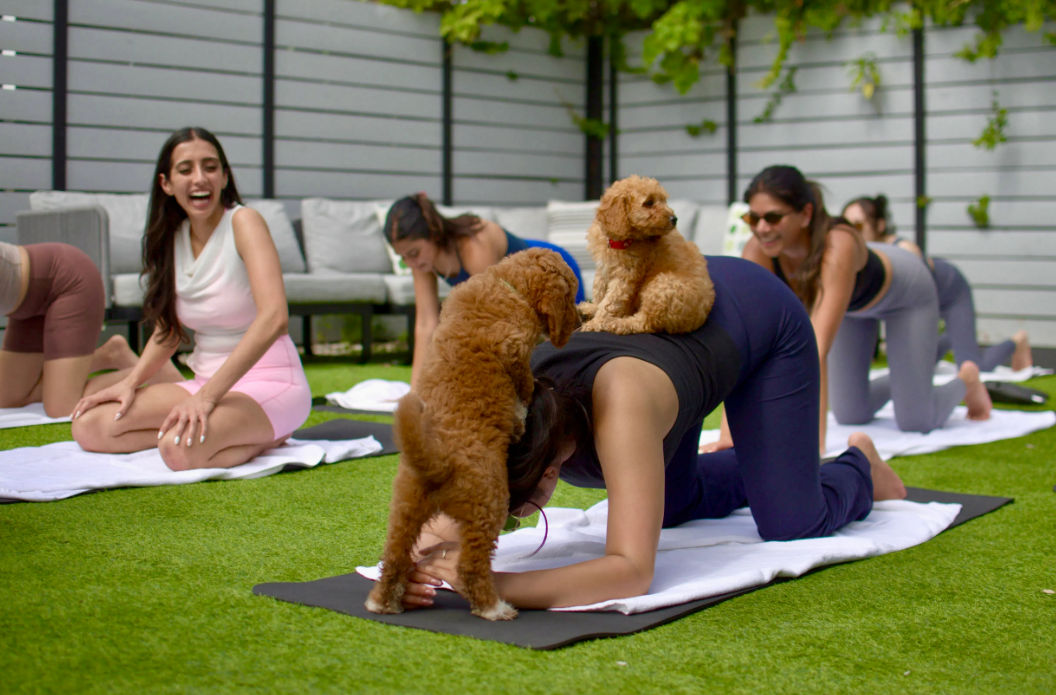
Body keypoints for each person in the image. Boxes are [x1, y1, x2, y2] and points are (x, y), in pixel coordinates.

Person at [391, 255, 907, 610]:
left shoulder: (622, 405)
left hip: (757, 316)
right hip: (670, 348)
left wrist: (497, 584)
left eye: (516, 511)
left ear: (551, 471)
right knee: (673, 508)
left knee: (791, 520)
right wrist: (422, 561)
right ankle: (768, 463)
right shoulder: (501, 397)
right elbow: (437, 515)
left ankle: (860, 467)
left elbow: (631, 571)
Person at [70, 126, 311, 471]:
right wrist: (130, 382)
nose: (200, 178)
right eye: (186, 170)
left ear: (225, 177)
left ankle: (269, 435)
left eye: (210, 167)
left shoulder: (245, 222)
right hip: (203, 382)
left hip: (270, 384)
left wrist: (207, 399)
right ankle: (219, 433)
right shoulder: (173, 237)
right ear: (166, 184)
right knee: (91, 426)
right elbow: (169, 330)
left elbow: (275, 318)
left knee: (179, 450)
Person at [739, 165, 991, 441]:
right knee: (850, 413)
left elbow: (816, 348)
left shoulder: (838, 243)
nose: (762, 229)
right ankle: (908, 380)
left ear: (806, 214)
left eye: (773, 218)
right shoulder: (757, 250)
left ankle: (967, 380)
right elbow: (749, 342)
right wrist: (732, 435)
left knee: (916, 419)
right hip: (852, 306)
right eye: (753, 218)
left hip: (907, 294)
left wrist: (813, 451)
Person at [383, 193, 585, 388]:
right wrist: (416, 393)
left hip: (553, 272)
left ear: (434, 233)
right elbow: (426, 323)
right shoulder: (421, 262)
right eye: (404, 257)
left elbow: (490, 318)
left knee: (571, 355)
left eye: (414, 253)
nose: (411, 263)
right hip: (515, 293)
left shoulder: (474, 244)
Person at [842, 195, 1032, 373]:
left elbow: (919, 300)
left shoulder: (903, 251)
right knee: (913, 368)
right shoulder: (864, 261)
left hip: (951, 293)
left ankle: (1017, 341)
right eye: (846, 226)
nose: (851, 233)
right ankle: (955, 335)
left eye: (857, 225)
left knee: (974, 366)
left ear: (880, 225)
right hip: (920, 311)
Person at [0, 242, 176, 417]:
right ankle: (110, 355)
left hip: (66, 281)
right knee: (7, 397)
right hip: (26, 304)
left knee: (61, 407)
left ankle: (150, 369)